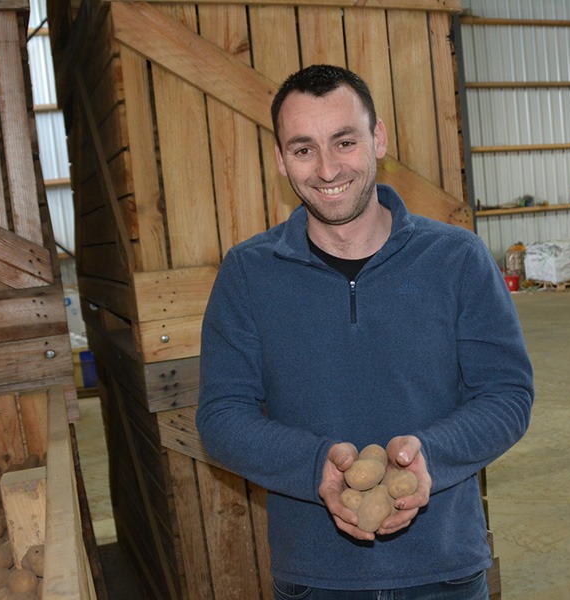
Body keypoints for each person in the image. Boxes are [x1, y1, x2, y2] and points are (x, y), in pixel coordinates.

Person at [197, 64, 534, 599]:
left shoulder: (457, 258)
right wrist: (315, 469)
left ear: (377, 139)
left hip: (445, 570)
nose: (328, 169)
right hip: (315, 578)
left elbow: (508, 395)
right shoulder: (248, 273)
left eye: (345, 141)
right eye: (304, 149)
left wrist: (430, 459)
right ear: (281, 159)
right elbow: (220, 418)